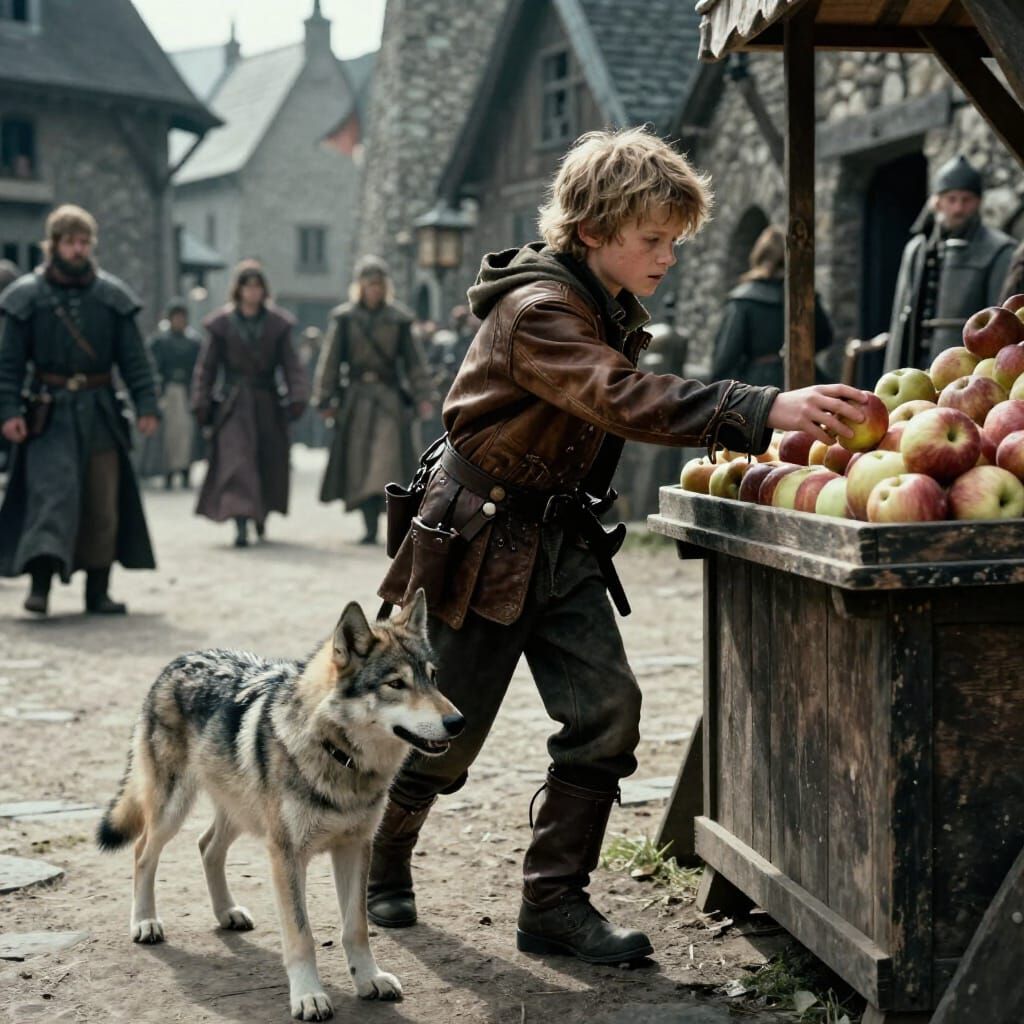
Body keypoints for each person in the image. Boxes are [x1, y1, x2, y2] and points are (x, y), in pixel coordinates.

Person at [372, 127, 869, 964]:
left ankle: (554, 903)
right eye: (652, 239)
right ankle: (380, 857)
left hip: (558, 537)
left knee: (608, 715)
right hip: (481, 539)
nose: (668, 256)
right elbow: (619, 395)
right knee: (440, 733)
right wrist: (760, 407)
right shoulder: (540, 310)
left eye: (675, 240)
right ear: (594, 231)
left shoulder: (597, 300)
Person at [0, 204, 159, 615]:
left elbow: (134, 360)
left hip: (100, 412)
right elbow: (9, 365)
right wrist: (8, 411)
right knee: (49, 497)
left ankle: (98, 591)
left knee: (101, 501)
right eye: (70, 241)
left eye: (84, 241)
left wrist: (146, 405)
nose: (78, 249)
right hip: (47, 414)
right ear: (53, 245)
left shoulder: (111, 297)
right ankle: (40, 586)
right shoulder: (27, 298)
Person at [312, 256, 433, 544]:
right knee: (359, 464)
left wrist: (423, 395)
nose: (374, 291)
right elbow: (330, 361)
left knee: (386, 461)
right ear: (360, 287)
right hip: (355, 399)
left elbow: (414, 362)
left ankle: (390, 521)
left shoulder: (399, 320)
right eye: (369, 285)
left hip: (387, 399)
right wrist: (324, 397)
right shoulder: (345, 319)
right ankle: (369, 523)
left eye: (378, 285)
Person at [191, 260, 307, 548]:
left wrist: (298, 395)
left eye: (257, 286)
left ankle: (259, 514)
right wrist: (202, 400)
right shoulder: (221, 325)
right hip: (233, 404)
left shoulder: (277, 325)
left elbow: (291, 364)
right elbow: (207, 367)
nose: (252, 292)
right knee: (237, 461)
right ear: (238, 290)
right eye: (247, 286)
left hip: (266, 401)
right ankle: (240, 520)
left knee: (265, 460)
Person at [885, 154, 1016, 372]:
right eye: (952, 199)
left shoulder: (1000, 250)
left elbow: (1002, 324)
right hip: (913, 371)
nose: (958, 208)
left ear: (978, 202)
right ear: (937, 202)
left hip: (965, 372)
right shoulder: (917, 249)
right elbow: (900, 323)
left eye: (966, 200)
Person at [711, 225, 835, 388]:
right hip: (805, 379)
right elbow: (824, 338)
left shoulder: (743, 300)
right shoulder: (804, 295)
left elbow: (725, 358)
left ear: (759, 256)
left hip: (758, 386)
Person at [145, 298, 201, 490]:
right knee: (168, 434)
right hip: (169, 390)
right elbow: (153, 366)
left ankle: (185, 470)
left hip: (186, 390)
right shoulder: (160, 342)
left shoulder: (194, 342)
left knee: (187, 433)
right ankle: (168, 472)